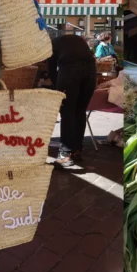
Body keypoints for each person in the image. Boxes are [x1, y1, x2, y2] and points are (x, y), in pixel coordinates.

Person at [48, 24, 96, 169]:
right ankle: (76, 150)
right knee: (80, 111)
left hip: (70, 70)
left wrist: (58, 90)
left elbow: (51, 70)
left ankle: (65, 154)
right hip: (91, 71)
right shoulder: (72, 40)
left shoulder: (50, 46)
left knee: (67, 111)